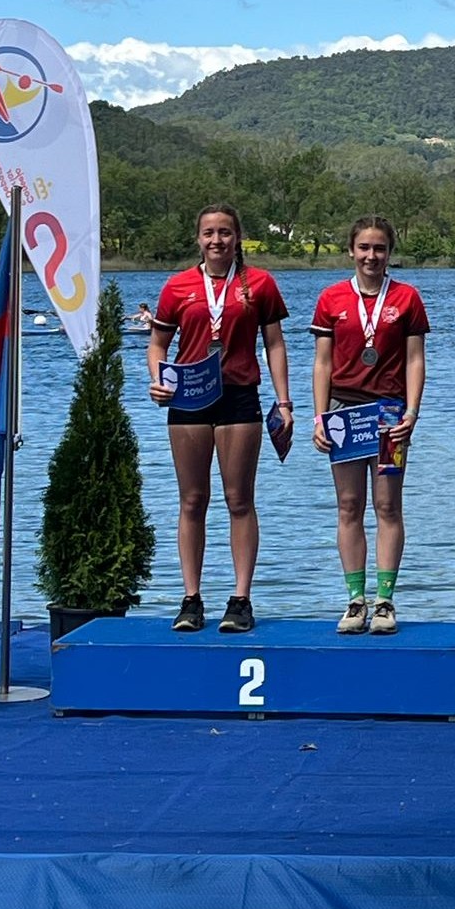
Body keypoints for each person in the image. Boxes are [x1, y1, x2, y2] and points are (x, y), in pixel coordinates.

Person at [148, 204, 292, 634]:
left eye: (225, 233)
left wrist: (285, 403)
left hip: (239, 398)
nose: (217, 241)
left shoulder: (260, 284)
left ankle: (241, 599)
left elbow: (275, 345)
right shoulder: (177, 287)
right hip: (189, 398)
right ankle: (191, 599)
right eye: (209, 233)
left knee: (239, 501)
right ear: (198, 239)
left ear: (237, 237)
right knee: (192, 501)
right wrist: (157, 380)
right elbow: (157, 345)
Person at [310, 216, 429, 635]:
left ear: (389, 253)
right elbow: (323, 363)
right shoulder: (331, 299)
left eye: (379, 248)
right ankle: (354, 601)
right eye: (364, 248)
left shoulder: (408, 298)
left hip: (389, 414)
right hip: (344, 413)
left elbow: (415, 359)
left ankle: (384, 602)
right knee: (348, 506)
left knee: (387, 506)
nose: (371, 256)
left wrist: (412, 411)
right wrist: (320, 415)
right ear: (351, 250)